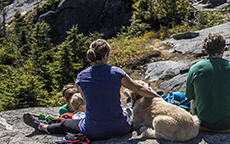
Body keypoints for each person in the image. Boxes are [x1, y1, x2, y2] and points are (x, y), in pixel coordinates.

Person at [23, 39, 160, 138]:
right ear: (106, 55)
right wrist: (158, 97)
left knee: (66, 124)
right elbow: (138, 88)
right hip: (120, 128)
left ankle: (42, 127)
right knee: (129, 113)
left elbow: (87, 102)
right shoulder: (116, 72)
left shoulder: (81, 77)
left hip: (93, 130)